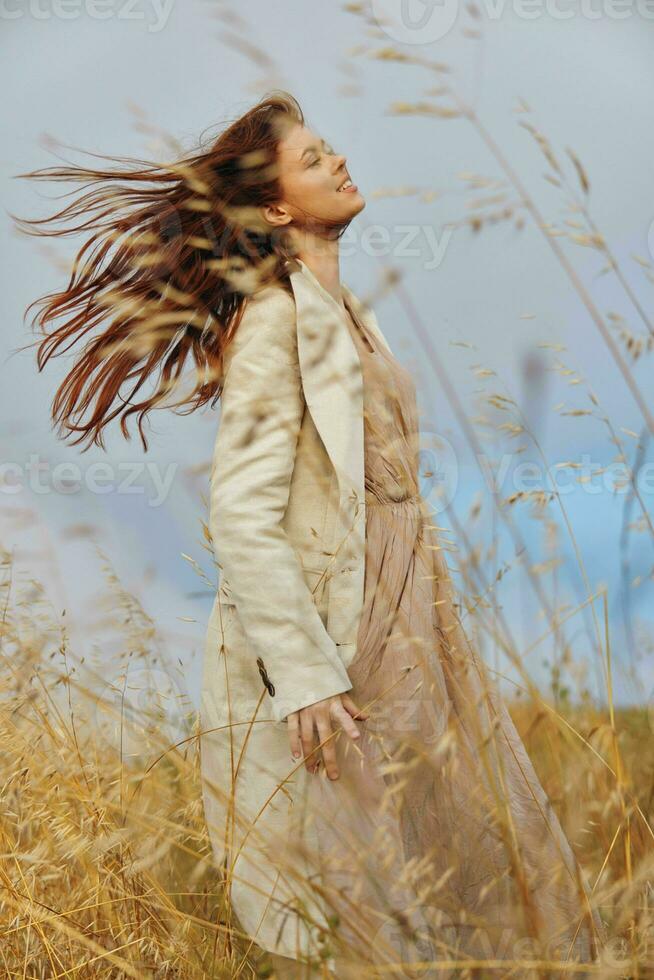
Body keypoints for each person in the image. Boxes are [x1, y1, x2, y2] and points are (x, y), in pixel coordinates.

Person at [16, 91, 607, 979]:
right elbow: (243, 517)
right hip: (348, 624)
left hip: (414, 606)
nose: (337, 160)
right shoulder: (275, 323)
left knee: (453, 846)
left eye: (331, 147)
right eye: (313, 158)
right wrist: (305, 679)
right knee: (364, 882)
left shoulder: (348, 313)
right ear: (278, 209)